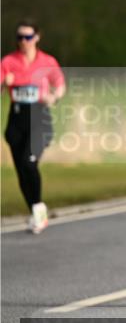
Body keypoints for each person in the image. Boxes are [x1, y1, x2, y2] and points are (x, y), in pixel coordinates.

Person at [1, 20, 65, 233]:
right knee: (21, 170)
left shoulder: (47, 61)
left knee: (29, 163)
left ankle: (38, 209)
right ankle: (36, 212)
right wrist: (4, 83)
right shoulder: (9, 61)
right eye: (20, 37)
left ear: (37, 37)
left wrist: (53, 97)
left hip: (40, 120)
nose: (23, 41)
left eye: (28, 37)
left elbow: (60, 85)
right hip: (16, 120)